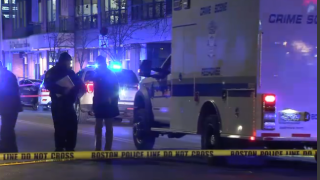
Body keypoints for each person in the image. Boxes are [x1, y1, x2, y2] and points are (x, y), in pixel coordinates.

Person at [44, 52, 85, 152]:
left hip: (66, 103)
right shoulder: (54, 72)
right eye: (68, 62)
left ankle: (64, 147)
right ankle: (64, 148)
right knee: (63, 126)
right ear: (63, 61)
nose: (69, 64)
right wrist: (63, 90)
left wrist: (77, 92)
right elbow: (47, 84)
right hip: (60, 103)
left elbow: (80, 85)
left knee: (65, 126)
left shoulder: (67, 72)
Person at [93, 56, 119, 151]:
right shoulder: (97, 74)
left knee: (106, 127)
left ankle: (106, 149)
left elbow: (115, 88)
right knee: (100, 127)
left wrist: (113, 101)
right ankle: (99, 149)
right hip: (101, 103)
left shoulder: (109, 74)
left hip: (107, 103)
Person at [0, 61, 23, 152]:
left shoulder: (6, 77)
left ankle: (9, 149)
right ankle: (9, 148)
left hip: (9, 107)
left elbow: (5, 93)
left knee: (7, 128)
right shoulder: (7, 75)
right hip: (9, 106)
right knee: (7, 128)